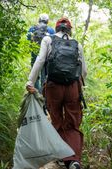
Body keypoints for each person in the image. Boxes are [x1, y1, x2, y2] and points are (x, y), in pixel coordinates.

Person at [26, 17, 87, 169]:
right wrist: (79, 88)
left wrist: (30, 82)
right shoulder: (77, 44)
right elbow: (83, 71)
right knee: (73, 123)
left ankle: (61, 156)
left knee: (57, 120)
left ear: (56, 28)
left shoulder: (48, 39)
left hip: (53, 87)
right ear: (69, 29)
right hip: (72, 87)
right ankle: (73, 160)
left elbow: (40, 61)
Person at [27, 13, 55, 92]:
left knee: (35, 73)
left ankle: (35, 92)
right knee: (44, 75)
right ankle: (43, 94)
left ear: (39, 20)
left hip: (34, 55)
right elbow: (54, 43)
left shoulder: (32, 29)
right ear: (47, 21)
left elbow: (28, 40)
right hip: (45, 56)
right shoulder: (51, 30)